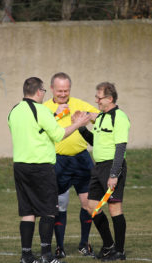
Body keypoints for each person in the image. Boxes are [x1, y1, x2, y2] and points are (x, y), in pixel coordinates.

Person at [7, 77, 91, 263]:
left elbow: (35, 129)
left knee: (27, 212)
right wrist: (78, 123)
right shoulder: (41, 110)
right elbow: (59, 135)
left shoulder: (14, 111)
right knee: (48, 211)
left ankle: (26, 256)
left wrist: (55, 117)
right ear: (38, 92)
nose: (44, 93)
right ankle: (46, 255)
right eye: (44, 90)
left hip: (20, 166)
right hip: (41, 166)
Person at [43, 72, 99, 258]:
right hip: (58, 161)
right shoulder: (44, 108)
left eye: (66, 90)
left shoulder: (78, 103)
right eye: (59, 90)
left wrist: (87, 115)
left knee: (88, 204)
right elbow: (37, 128)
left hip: (82, 160)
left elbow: (99, 115)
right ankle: (59, 247)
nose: (63, 94)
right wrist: (54, 114)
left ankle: (84, 244)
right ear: (52, 89)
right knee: (60, 206)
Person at [77, 82, 130, 261]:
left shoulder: (120, 117)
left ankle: (119, 251)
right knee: (92, 207)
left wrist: (114, 174)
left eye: (99, 98)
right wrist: (81, 128)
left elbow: (120, 147)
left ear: (110, 99)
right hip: (98, 168)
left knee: (115, 208)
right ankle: (109, 245)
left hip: (112, 167)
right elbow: (95, 141)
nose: (96, 100)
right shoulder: (100, 117)